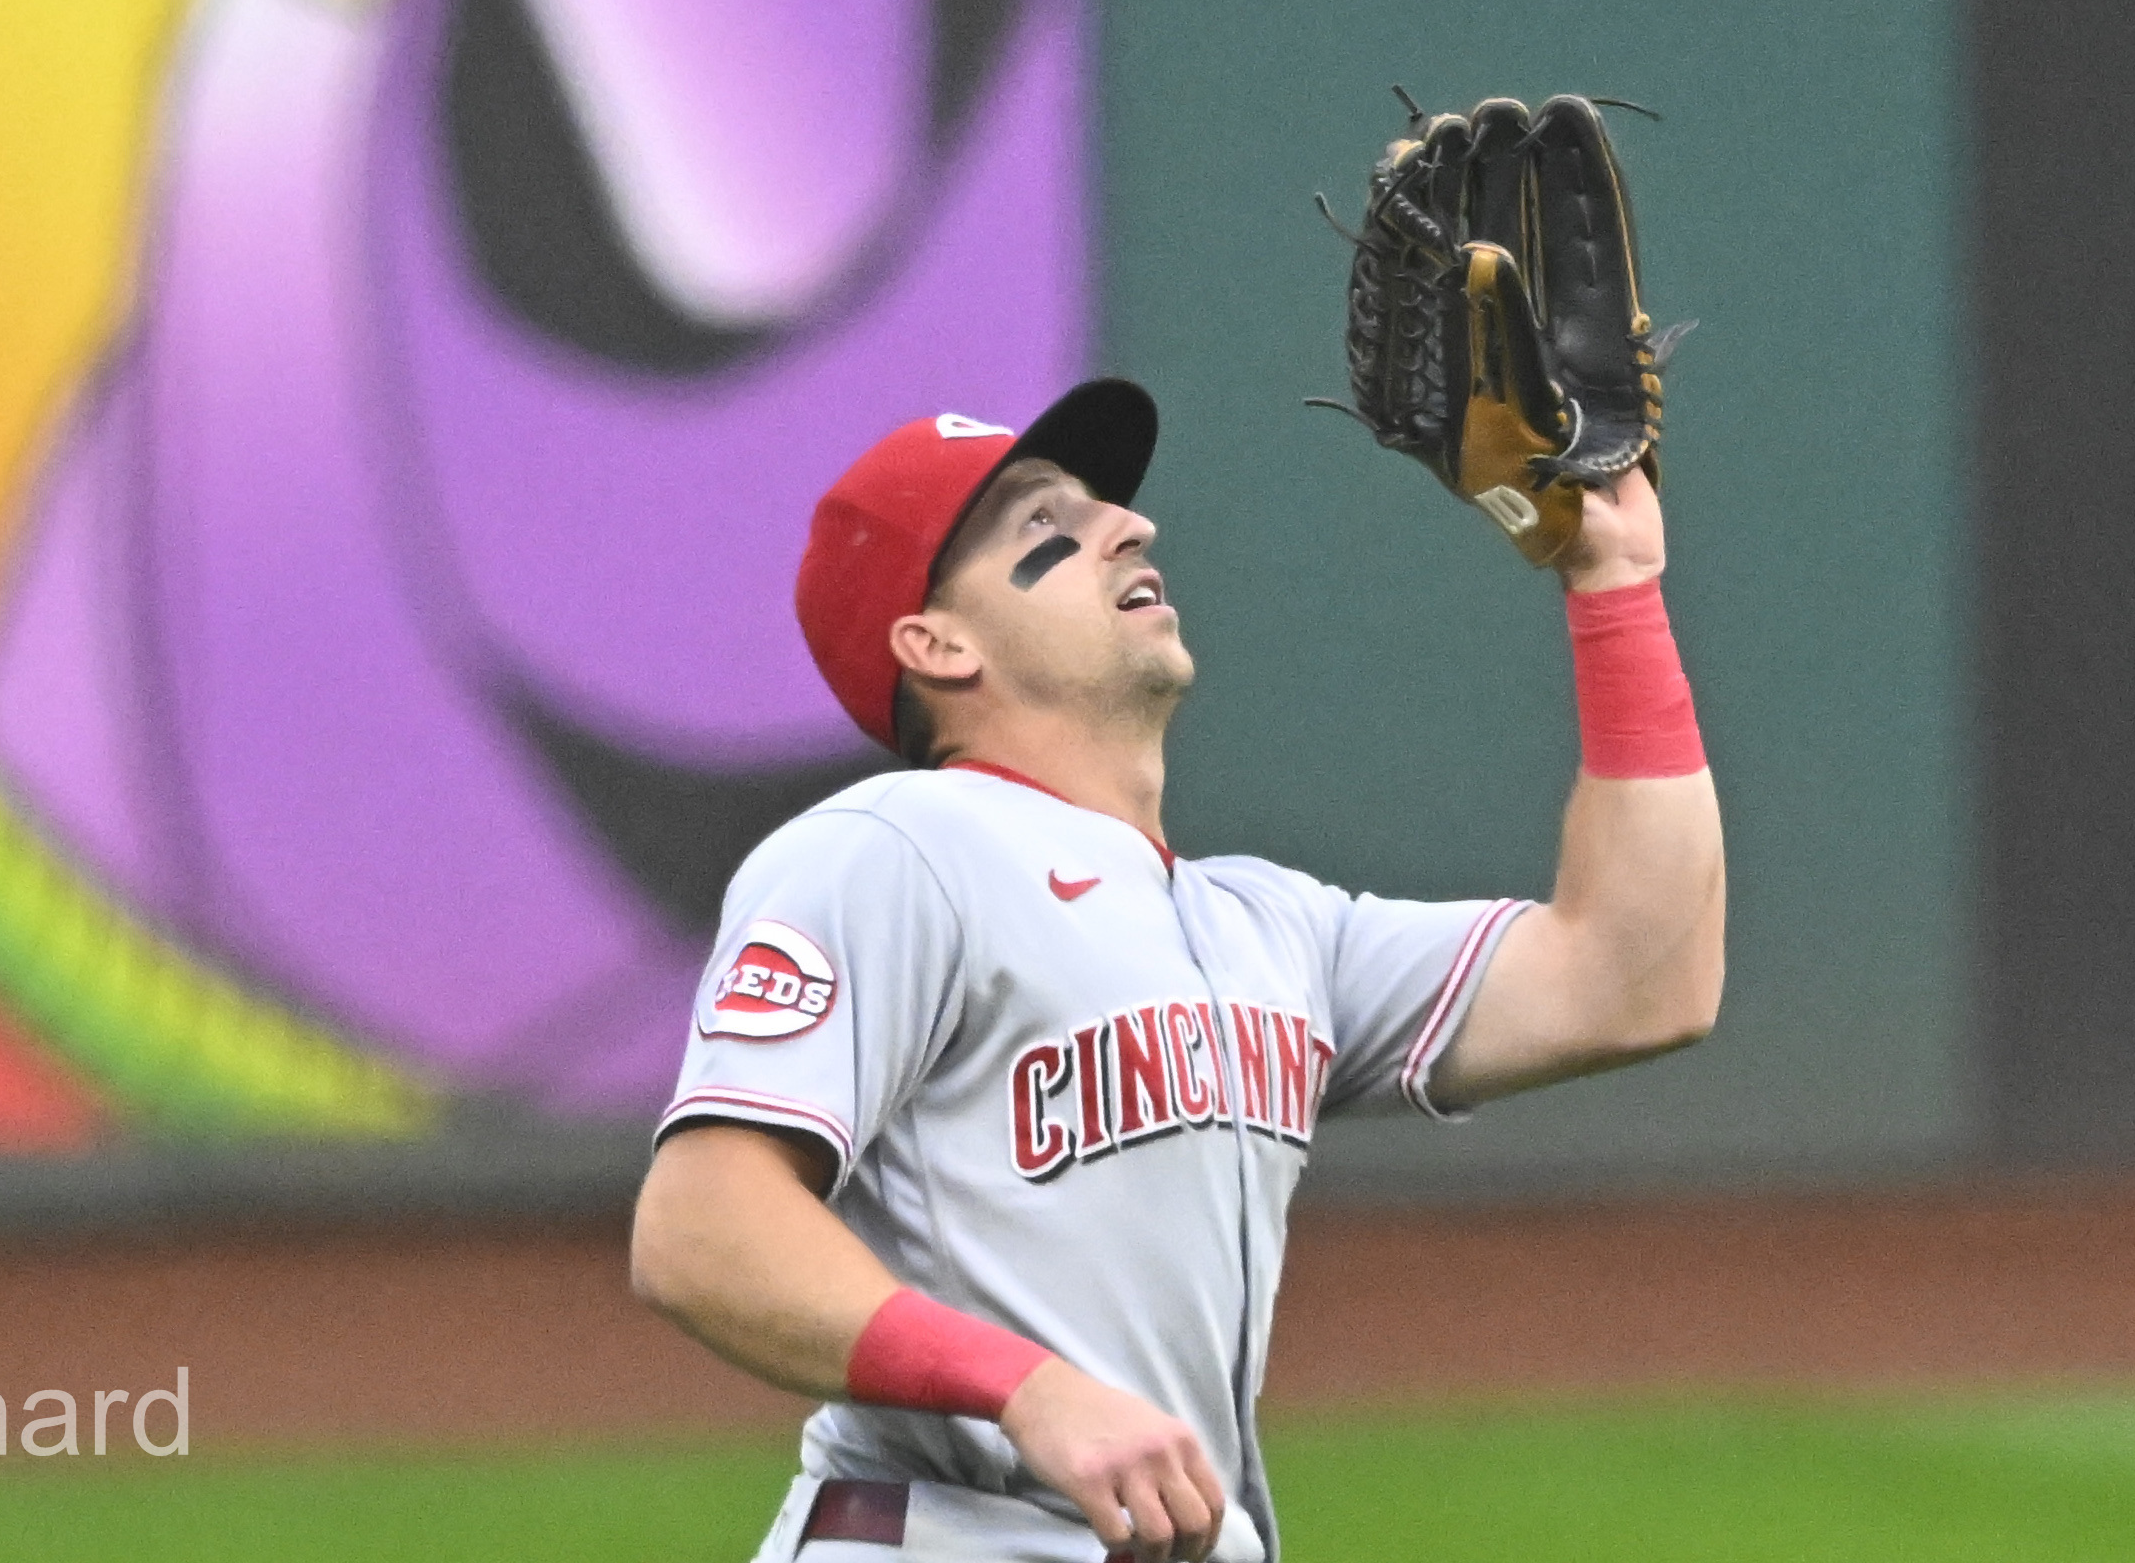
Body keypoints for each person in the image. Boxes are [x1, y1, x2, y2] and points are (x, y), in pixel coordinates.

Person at [629, 378, 1726, 1561]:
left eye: (1105, 505)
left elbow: (1633, 978)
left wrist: (1614, 587)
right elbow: (699, 1230)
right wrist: (1027, 1388)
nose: (1127, 524)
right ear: (937, 644)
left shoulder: (1266, 925)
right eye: (1043, 530)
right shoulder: (898, 849)